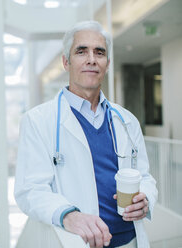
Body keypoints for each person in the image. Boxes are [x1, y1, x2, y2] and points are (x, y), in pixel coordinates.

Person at [14, 21, 158, 248]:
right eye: (81, 51)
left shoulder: (126, 120)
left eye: (99, 52)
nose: (91, 59)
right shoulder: (38, 121)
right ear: (66, 62)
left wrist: (147, 198)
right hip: (78, 242)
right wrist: (68, 215)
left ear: (107, 64)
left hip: (130, 240)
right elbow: (30, 190)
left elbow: (145, 177)